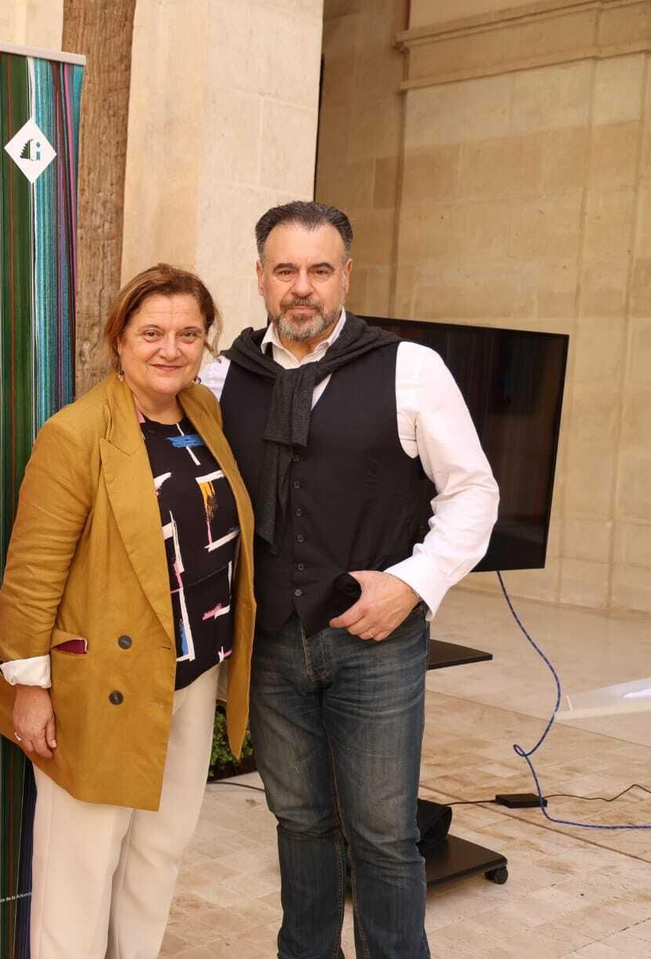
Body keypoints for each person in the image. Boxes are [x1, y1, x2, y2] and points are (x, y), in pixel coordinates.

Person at [200, 200, 499, 958]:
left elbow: (473, 491)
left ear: (347, 276)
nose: (303, 287)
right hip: (270, 645)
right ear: (262, 278)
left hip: (377, 643)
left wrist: (413, 583)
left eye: (320, 270)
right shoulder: (223, 376)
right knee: (299, 822)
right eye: (286, 270)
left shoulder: (409, 368)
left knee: (383, 834)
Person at [0, 264, 257, 958]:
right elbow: (31, 572)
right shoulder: (76, 434)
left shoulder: (204, 413)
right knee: (79, 869)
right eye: (152, 333)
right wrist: (28, 686)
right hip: (99, 685)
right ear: (119, 340)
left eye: (188, 334)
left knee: (160, 851)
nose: (170, 349)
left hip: (191, 672)